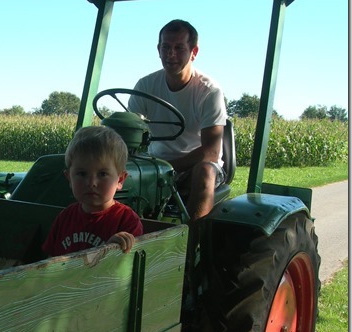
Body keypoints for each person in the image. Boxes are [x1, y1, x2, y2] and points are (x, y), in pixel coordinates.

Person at [128, 19, 228, 221]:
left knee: (205, 172)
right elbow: (130, 132)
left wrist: (168, 168)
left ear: (194, 52)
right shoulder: (145, 86)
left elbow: (211, 152)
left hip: (196, 168)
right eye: (166, 47)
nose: (170, 54)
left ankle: (191, 243)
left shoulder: (209, 91)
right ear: (158, 49)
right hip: (156, 165)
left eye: (179, 48)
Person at [42, 125, 144, 257]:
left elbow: (126, 269)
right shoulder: (65, 217)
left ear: (120, 180)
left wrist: (113, 251)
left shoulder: (126, 221)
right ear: (69, 178)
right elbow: (50, 263)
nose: (91, 183)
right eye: (82, 174)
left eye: (102, 174)